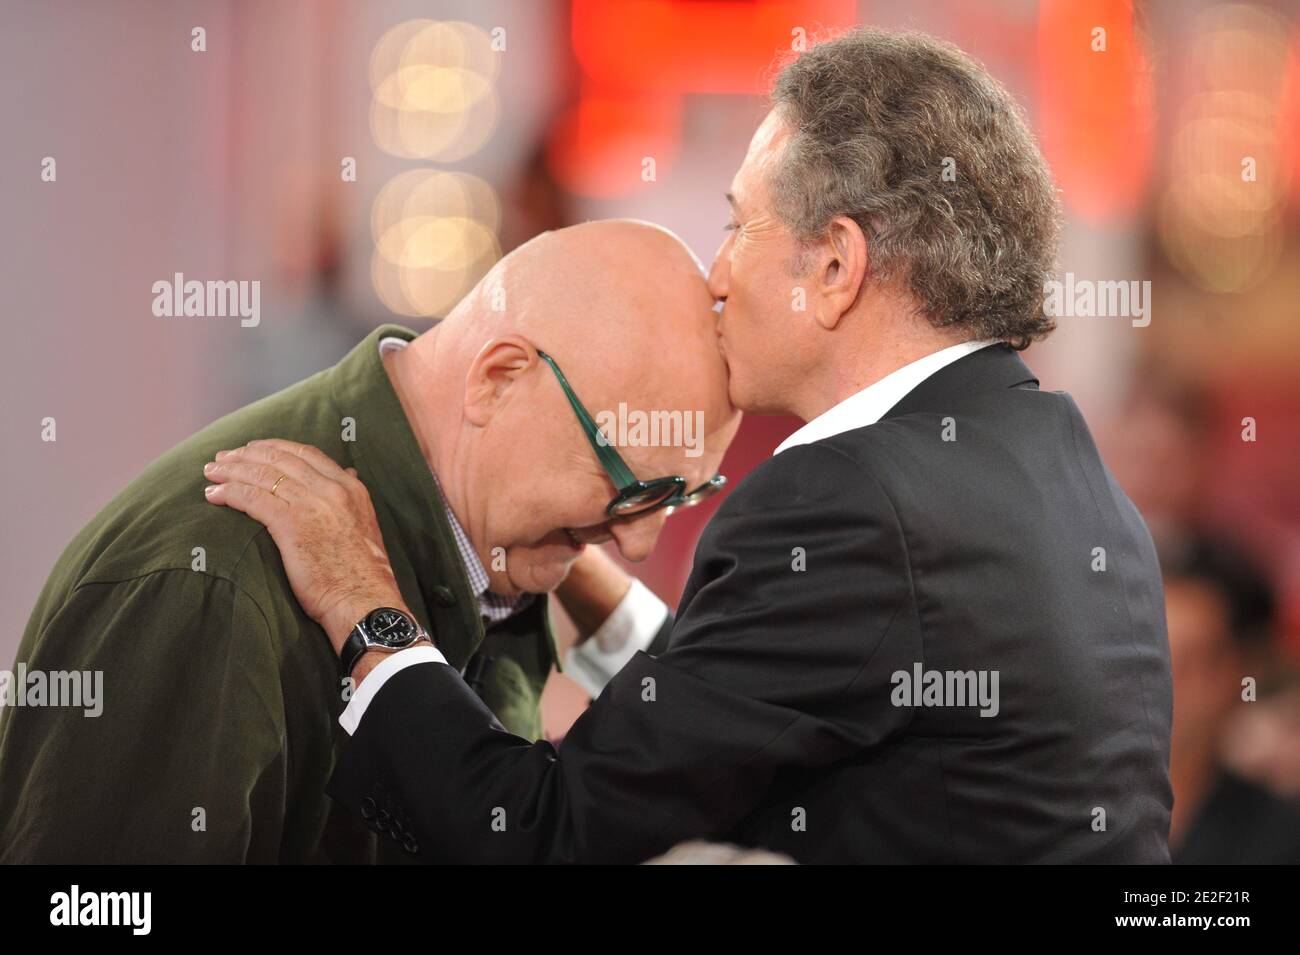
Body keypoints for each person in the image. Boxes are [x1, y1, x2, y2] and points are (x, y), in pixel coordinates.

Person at [204, 27, 1174, 863]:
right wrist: (594, 585)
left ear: (834, 266)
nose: (713, 277)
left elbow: (539, 833)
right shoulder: (1060, 468)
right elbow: (775, 701)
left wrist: (363, 606)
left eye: (736, 224)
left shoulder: (848, 499)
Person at [0, 220, 737, 862]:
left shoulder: (507, 549)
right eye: (634, 486)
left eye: (684, 493)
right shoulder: (212, 582)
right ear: (498, 378)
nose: (638, 545)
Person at [1162, 536, 1300, 864]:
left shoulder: (1283, 839)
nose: (1166, 685)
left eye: (1193, 663)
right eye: (1152, 657)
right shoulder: (1047, 816)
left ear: (1245, 672)